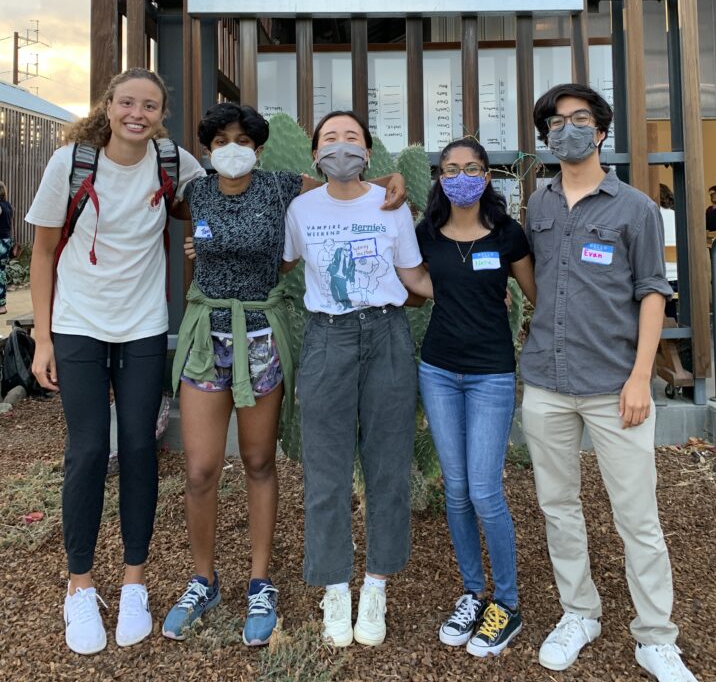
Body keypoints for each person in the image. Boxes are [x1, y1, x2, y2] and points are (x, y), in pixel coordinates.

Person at [162, 102, 407, 646]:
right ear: (206, 148)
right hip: (207, 336)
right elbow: (152, 202)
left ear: (259, 148)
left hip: (261, 337)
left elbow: (343, 182)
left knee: (257, 460)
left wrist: (394, 178)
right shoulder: (195, 193)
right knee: (201, 469)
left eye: (243, 140)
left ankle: (260, 581)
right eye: (221, 139)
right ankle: (202, 579)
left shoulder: (279, 186)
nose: (232, 148)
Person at [520, 83, 699, 682]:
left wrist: (641, 377)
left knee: (637, 516)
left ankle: (655, 636)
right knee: (558, 508)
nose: (565, 128)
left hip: (614, 385)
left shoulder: (636, 208)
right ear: (546, 135)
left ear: (600, 131)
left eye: (579, 119)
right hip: (546, 380)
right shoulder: (538, 205)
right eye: (555, 121)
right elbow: (540, 286)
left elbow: (654, 292)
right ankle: (580, 613)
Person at [27, 68, 206, 656]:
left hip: (143, 328)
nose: (138, 113)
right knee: (84, 450)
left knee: (137, 448)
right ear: (108, 106)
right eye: (127, 102)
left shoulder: (172, 160)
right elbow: (45, 250)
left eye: (149, 105)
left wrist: (198, 235)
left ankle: (134, 581)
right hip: (78, 326)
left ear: (162, 113)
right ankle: (79, 585)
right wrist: (45, 340)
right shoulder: (73, 164)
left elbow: (220, 197)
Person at [281, 110, 432, 649]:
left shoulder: (391, 203)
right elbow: (282, 264)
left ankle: (376, 584)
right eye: (329, 138)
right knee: (326, 469)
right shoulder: (301, 208)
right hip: (326, 339)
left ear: (368, 152)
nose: (340, 145)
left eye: (351, 138)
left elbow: (412, 276)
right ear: (316, 152)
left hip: (387, 335)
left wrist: (470, 288)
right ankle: (335, 585)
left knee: (387, 465)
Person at [415, 138, 535, 658]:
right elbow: (410, 276)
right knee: (457, 490)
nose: (460, 176)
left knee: (486, 492)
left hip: (490, 375)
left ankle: (505, 603)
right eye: (450, 169)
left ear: (487, 176)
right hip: (438, 370)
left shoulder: (508, 235)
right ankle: (472, 591)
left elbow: (536, 293)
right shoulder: (425, 234)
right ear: (439, 177)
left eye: (471, 168)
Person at [0, 180, 17, 316]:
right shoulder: (8, 206)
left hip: (0, 241)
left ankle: (1, 306)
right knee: (1, 272)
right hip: (6, 242)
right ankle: (2, 305)